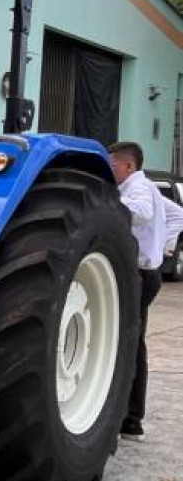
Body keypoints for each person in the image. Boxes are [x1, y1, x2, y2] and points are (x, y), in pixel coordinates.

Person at [107, 142, 166, 438]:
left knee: (127, 345)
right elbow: (177, 215)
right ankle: (132, 419)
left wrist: (106, 204)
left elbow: (141, 213)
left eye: (113, 165)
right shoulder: (147, 188)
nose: (109, 169)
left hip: (141, 275)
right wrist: (161, 246)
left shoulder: (138, 189)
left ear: (129, 167)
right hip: (146, 272)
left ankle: (128, 418)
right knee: (134, 343)